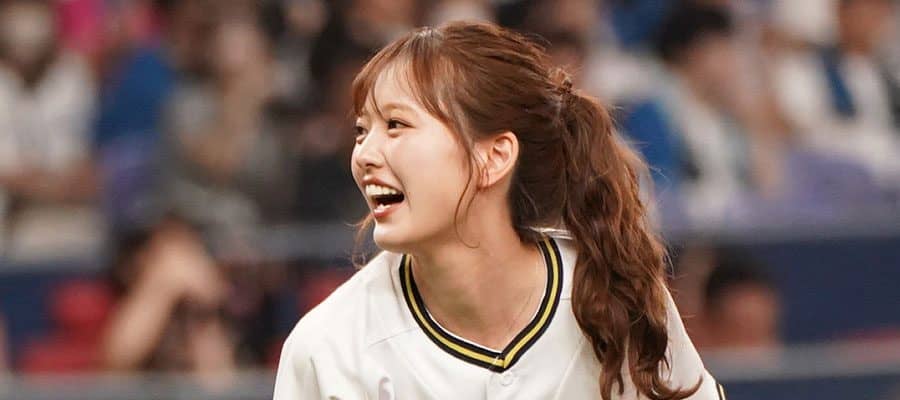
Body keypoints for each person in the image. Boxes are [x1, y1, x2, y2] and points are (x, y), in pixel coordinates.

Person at [274, 21, 724, 399]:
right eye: (361, 131)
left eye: (396, 125)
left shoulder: (614, 290)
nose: (364, 155)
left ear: (494, 156)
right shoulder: (328, 348)